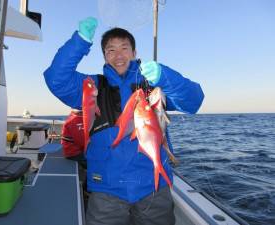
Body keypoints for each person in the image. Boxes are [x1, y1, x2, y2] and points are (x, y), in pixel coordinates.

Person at [44, 17, 204, 225]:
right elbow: (56, 79)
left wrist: (165, 76)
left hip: (153, 189)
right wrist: (80, 41)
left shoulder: (153, 87)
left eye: (124, 48)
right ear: (104, 56)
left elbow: (194, 101)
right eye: (111, 50)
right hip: (106, 192)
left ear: (134, 53)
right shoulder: (92, 87)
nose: (118, 55)